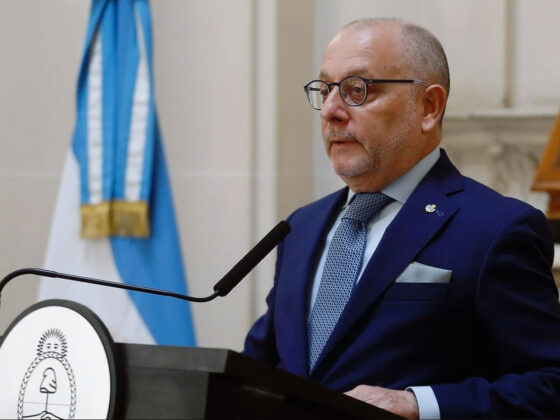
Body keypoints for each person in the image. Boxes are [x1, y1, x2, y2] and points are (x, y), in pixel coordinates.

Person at [243, 17, 560, 419]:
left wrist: (418, 404)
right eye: (325, 90)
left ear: (428, 107)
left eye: (357, 90)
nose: (331, 111)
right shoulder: (300, 227)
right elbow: (257, 370)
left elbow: (549, 384)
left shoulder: (496, 229)